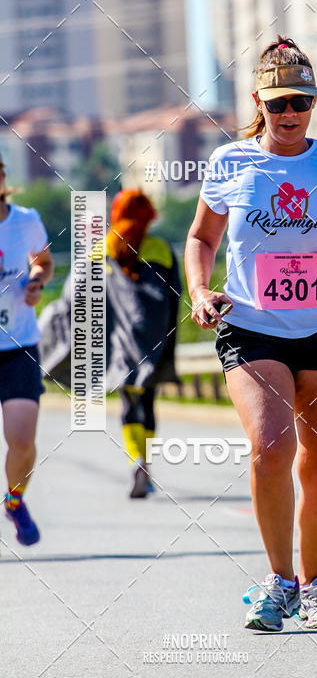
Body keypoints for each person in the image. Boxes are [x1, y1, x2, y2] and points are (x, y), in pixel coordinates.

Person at [185, 35, 317, 630]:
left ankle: (314, 585)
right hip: (252, 325)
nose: (290, 113)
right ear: (259, 102)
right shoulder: (230, 162)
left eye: (301, 101)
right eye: (278, 104)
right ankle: (278, 582)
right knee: (271, 446)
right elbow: (201, 238)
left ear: (315, 102)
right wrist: (199, 292)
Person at [105, 190, 181, 498]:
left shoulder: (103, 249)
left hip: (120, 344)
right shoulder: (161, 249)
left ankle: (135, 459)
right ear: (149, 216)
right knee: (148, 402)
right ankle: (146, 464)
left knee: (128, 403)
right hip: (154, 342)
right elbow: (176, 296)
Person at [0, 154, 54, 545]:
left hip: (18, 344)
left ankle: (14, 500)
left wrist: (37, 281)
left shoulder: (26, 220)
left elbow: (44, 261)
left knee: (22, 441)